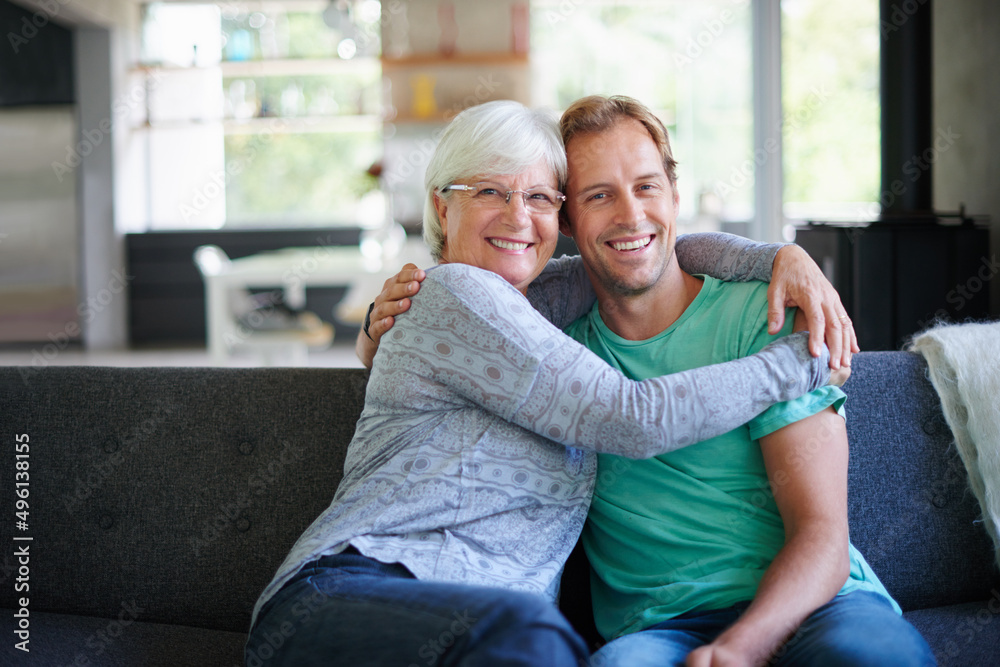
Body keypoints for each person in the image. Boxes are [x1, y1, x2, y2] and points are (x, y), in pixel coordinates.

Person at [246, 100, 847, 667]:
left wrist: (779, 259)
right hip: (353, 596)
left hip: (483, 635)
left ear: (559, 218)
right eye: (488, 191)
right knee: (533, 637)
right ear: (440, 206)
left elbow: (655, 249)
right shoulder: (455, 292)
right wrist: (802, 360)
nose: (516, 215)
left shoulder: (538, 299)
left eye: (537, 196)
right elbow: (632, 418)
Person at [556, 95, 932, 666]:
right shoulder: (554, 355)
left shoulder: (769, 314)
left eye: (647, 186)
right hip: (661, 629)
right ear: (566, 218)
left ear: (675, 197)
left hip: (819, 606)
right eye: (599, 195)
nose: (631, 215)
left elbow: (823, 537)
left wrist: (740, 648)